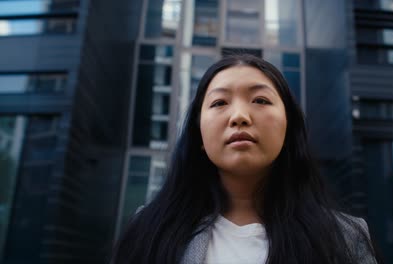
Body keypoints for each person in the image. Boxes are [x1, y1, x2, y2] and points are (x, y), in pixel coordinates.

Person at [111, 54, 378, 264]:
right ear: (199, 136)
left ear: (288, 128)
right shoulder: (150, 229)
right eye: (219, 103)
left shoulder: (345, 237)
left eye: (260, 100)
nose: (239, 116)